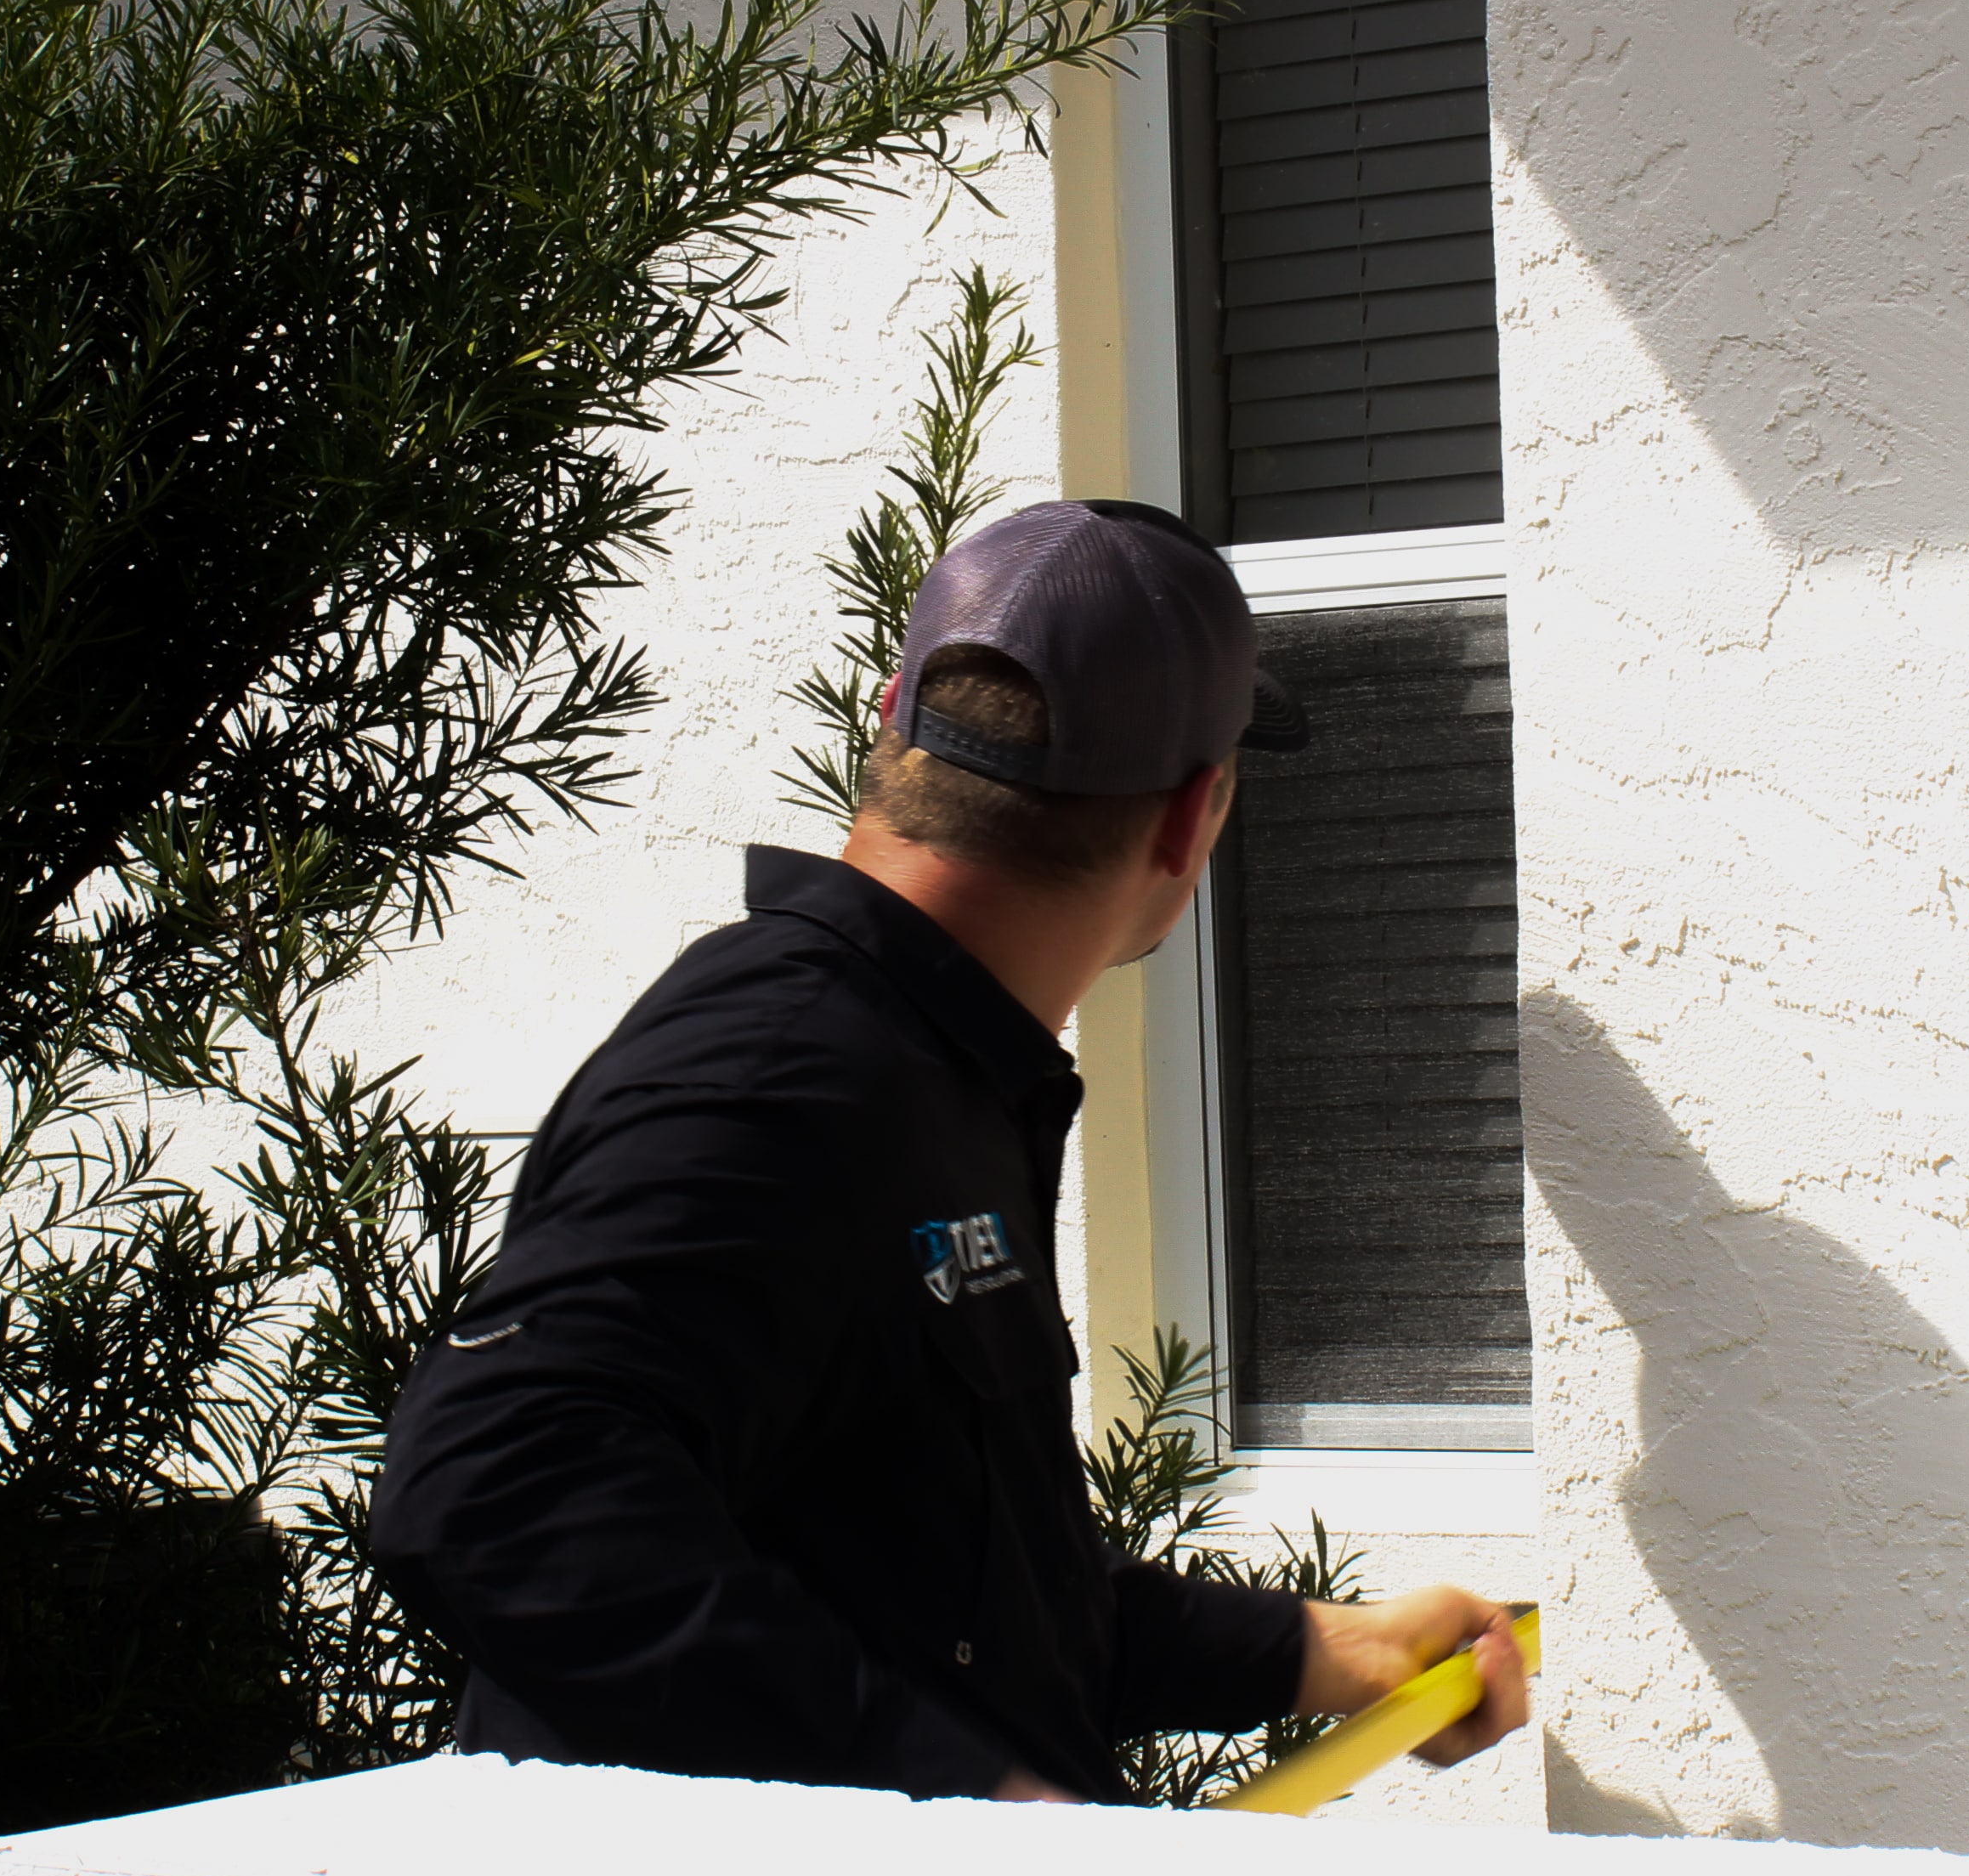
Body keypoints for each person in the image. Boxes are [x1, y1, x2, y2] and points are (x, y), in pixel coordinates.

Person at [374, 496, 1530, 1804]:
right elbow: (495, 1485)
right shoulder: (787, 1069)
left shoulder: (928, 1065)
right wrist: (968, 1808)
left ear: (891, 720)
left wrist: (1333, 1651)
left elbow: (967, 1608)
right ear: (1187, 821)